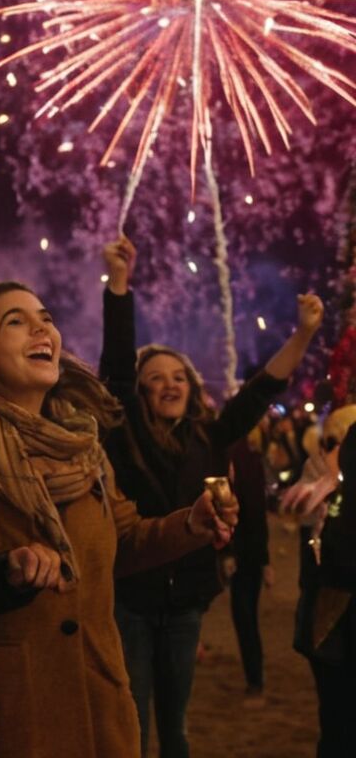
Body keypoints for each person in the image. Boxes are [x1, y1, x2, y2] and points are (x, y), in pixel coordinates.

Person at [0, 280, 235, 758]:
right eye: (16, 321)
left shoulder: (86, 450)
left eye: (45, 318)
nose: (41, 329)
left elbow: (124, 541)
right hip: (15, 707)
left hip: (100, 698)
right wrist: (7, 570)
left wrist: (189, 525)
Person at [100, 234, 324, 758]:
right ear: (140, 391)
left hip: (186, 604)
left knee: (176, 726)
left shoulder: (209, 436)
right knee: (134, 723)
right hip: (131, 599)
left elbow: (260, 391)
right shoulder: (123, 436)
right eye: (155, 379)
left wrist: (305, 334)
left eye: (178, 376)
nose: (170, 385)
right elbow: (114, 367)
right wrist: (119, 283)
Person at [283, 407, 356, 758]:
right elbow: (318, 568)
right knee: (338, 725)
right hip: (333, 625)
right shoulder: (320, 489)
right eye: (330, 445)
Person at [227, 427, 273, 706]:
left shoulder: (241, 457)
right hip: (246, 551)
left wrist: (262, 558)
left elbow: (255, 513)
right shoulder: (244, 455)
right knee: (244, 615)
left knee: (245, 615)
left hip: (246, 553)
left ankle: (255, 680)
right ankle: (254, 678)